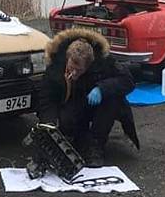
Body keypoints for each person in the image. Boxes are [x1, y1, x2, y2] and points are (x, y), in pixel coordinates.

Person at [37, 28, 139, 167]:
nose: (73, 72)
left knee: (113, 98)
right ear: (67, 59)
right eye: (71, 67)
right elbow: (45, 98)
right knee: (66, 125)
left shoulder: (103, 60)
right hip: (71, 103)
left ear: (89, 65)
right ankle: (76, 138)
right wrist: (49, 124)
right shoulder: (55, 65)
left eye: (79, 70)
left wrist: (102, 88)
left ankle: (96, 146)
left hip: (95, 103)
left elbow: (128, 81)